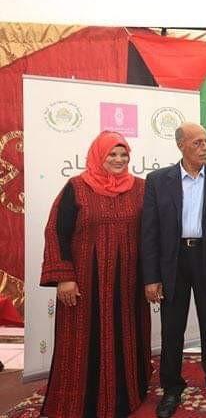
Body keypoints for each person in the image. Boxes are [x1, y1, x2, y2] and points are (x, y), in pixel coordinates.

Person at [40, 131, 150, 417]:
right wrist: (64, 277)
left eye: (123, 154)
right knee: (83, 343)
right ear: (98, 155)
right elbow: (56, 231)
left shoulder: (141, 188)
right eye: (112, 154)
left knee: (126, 337)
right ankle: (80, 401)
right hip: (85, 284)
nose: (119, 159)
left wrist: (153, 277)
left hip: (127, 284)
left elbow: (152, 234)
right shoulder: (76, 187)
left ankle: (126, 398)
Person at [141, 122, 206, 418]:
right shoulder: (158, 180)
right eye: (198, 143)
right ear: (181, 145)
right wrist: (151, 277)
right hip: (173, 260)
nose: (205, 147)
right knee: (172, 328)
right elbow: (149, 232)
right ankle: (171, 388)